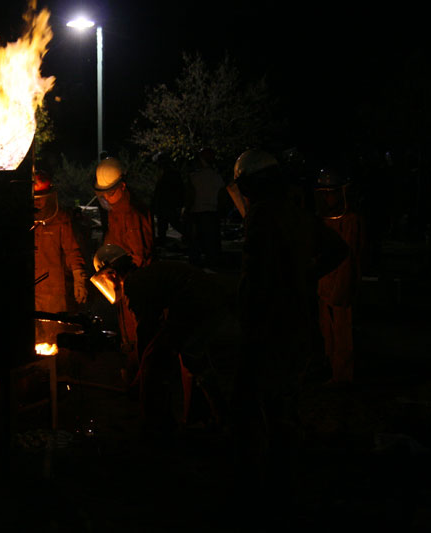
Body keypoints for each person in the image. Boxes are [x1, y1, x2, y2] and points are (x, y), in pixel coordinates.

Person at [227, 149, 348, 526]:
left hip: (268, 328)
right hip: (296, 323)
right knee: (284, 407)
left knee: (258, 411)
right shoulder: (295, 213)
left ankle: (268, 495)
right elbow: (336, 248)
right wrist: (305, 278)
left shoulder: (263, 217)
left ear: (251, 184)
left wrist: (248, 323)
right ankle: (283, 486)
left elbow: (256, 281)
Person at [90, 243, 234, 442]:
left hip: (199, 306)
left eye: (104, 276)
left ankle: (162, 427)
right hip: (207, 303)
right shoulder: (146, 275)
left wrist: (141, 375)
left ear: (112, 272)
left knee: (161, 360)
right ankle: (210, 419)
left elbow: (146, 334)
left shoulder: (135, 284)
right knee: (193, 362)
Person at [93, 157, 154, 382]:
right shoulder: (116, 211)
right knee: (126, 332)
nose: (107, 197)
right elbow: (112, 244)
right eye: (104, 193)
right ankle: (133, 373)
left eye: (110, 192)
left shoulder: (133, 214)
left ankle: (142, 379)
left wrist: (120, 271)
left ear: (123, 186)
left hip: (136, 285)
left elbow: (139, 255)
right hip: (123, 284)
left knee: (139, 334)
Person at [314, 167, 366, 385]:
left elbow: (351, 256)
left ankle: (343, 374)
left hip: (340, 283)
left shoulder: (350, 220)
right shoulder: (323, 219)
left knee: (343, 330)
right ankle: (330, 367)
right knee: (327, 330)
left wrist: (343, 286)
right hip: (324, 283)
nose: (328, 196)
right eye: (324, 192)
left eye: (332, 192)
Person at [33, 170, 88, 344]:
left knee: (53, 340)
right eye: (36, 197)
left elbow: (72, 251)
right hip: (29, 292)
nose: (39, 201)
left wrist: (79, 278)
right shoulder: (23, 219)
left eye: (42, 196)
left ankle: (58, 369)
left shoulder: (60, 219)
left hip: (53, 293)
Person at [187, 148, 225, 268]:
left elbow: (190, 197)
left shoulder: (194, 177)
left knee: (195, 247)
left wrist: (186, 212)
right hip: (212, 214)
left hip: (197, 214)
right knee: (212, 246)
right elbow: (221, 197)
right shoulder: (218, 178)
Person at [151, 151, 187, 247]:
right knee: (167, 225)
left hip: (167, 205)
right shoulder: (169, 173)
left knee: (171, 223)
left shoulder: (169, 174)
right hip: (167, 205)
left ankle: (189, 238)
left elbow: (163, 191)